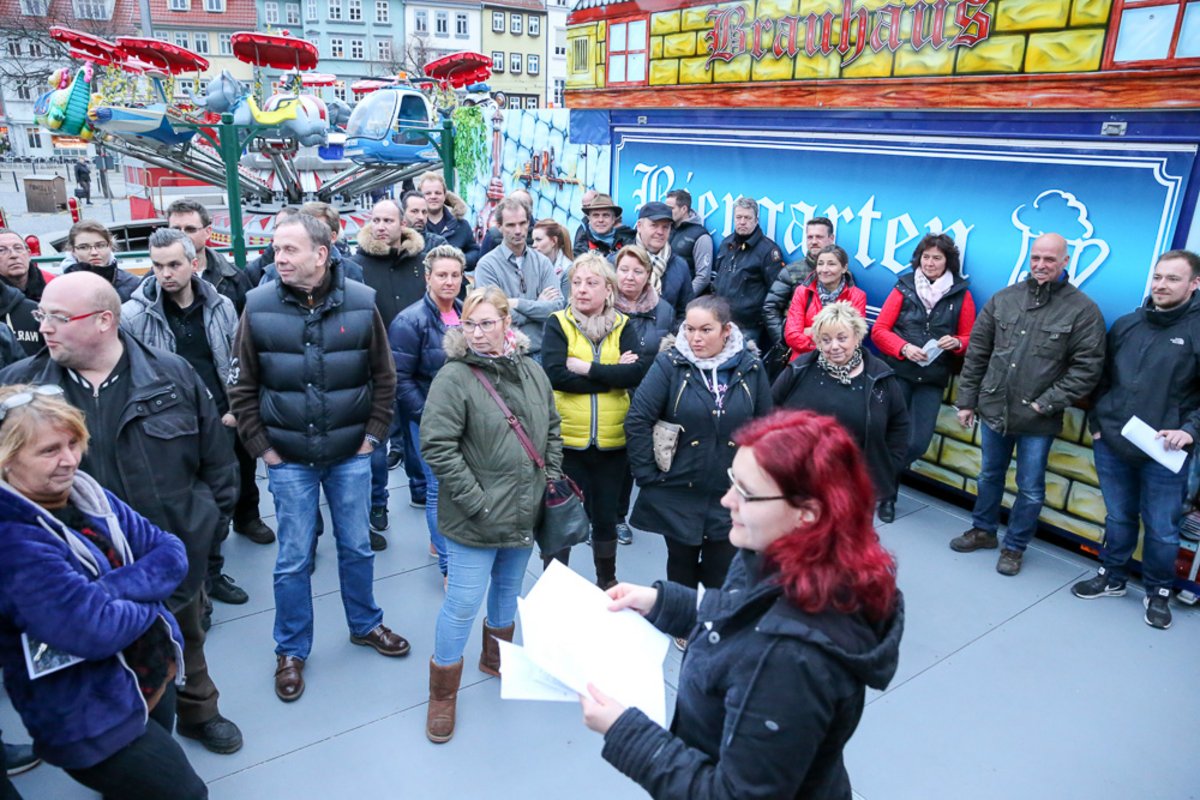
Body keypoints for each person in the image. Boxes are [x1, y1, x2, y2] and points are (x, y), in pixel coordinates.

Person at [579, 409, 904, 799]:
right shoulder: (778, 552)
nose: (726, 499)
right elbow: (742, 609)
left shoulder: (790, 663)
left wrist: (623, 731)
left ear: (807, 513)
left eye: (746, 493)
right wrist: (665, 603)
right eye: (733, 480)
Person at [0, 271, 243, 755]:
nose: (43, 326)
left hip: (169, 554)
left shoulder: (171, 373)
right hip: (75, 574)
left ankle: (199, 710)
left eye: (58, 317)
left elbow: (217, 461)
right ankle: (125, 745)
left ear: (104, 321)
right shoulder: (20, 388)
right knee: (96, 663)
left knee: (185, 637)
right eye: (43, 314)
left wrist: (204, 533)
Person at [228, 213, 409, 703]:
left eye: (289, 249)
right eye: (276, 249)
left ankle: (365, 624)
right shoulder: (258, 305)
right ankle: (290, 649)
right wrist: (264, 450)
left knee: (357, 547)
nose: (278, 258)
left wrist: (372, 437)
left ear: (321, 253)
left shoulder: (362, 302)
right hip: (288, 458)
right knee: (292, 560)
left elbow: (384, 377)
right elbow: (241, 386)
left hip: (351, 454)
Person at [0, 384, 208, 799]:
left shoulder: (85, 494)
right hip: (91, 716)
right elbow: (94, 630)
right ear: (6, 460)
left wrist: (107, 590)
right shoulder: (13, 540)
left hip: (147, 677)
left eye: (73, 443)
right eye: (49, 451)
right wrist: (149, 597)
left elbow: (171, 552)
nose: (69, 460)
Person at [419, 286, 563, 743]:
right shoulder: (454, 377)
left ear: (507, 323)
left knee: (507, 592)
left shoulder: (533, 371)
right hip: (475, 517)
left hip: (524, 510)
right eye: (469, 324)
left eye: (486, 323)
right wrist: (476, 501)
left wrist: (549, 480)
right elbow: (437, 447)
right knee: (462, 604)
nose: (477, 333)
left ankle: (495, 658)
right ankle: (443, 694)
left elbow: (551, 429)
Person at [951, 232, 1106, 576]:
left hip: (1038, 419)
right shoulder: (1004, 299)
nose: (1041, 265)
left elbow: (1087, 369)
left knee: (1031, 488)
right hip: (994, 410)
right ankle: (983, 530)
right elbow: (977, 354)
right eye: (1036, 257)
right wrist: (967, 401)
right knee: (989, 475)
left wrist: (1044, 404)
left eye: (1050, 259)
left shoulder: (1083, 311)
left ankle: (1015, 547)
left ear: (1065, 261)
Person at [625, 294, 771, 630]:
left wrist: (756, 482)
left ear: (726, 330)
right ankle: (684, 622)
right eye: (689, 329)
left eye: (706, 330)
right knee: (681, 563)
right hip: (678, 488)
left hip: (729, 492)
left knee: (722, 566)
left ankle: (708, 620)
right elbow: (638, 419)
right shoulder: (670, 364)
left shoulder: (751, 368)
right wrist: (647, 474)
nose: (695, 338)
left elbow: (767, 427)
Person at [1072, 249, 1200, 629]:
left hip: (1166, 452)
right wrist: (1098, 425)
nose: (1161, 285)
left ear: (1194, 284)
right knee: (1119, 516)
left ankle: (1158, 591)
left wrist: (1189, 431)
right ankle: (1113, 576)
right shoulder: (1127, 324)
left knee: (1162, 528)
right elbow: (1103, 380)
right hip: (1113, 443)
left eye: (1173, 278)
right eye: (1158, 276)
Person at [120, 228, 247, 610]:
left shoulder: (221, 306)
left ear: (194, 264)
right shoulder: (133, 315)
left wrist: (235, 409)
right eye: (158, 265)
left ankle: (213, 573)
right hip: (165, 429)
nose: (165, 273)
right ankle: (193, 591)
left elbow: (237, 359)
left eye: (174, 264)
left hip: (218, 420)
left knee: (219, 501)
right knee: (177, 510)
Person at [166, 203, 273, 546]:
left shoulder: (231, 279)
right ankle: (208, 535)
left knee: (241, 460)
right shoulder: (153, 290)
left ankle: (247, 516)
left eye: (189, 229)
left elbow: (249, 336)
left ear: (206, 232)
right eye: (175, 229)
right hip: (179, 397)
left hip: (225, 390)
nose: (182, 236)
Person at [542, 254, 648, 587]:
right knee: (560, 519)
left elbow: (635, 373)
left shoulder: (623, 325)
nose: (582, 290)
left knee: (605, 518)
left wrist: (586, 368)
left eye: (591, 283)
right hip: (567, 443)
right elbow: (555, 375)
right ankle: (553, 587)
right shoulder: (557, 323)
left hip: (612, 444)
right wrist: (611, 377)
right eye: (576, 282)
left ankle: (607, 583)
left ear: (608, 290)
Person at [354, 196, 447, 534]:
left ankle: (420, 488)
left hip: (416, 363)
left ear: (402, 224)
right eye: (376, 220)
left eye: (388, 220)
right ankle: (378, 502)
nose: (381, 227)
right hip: (373, 365)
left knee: (416, 431)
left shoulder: (419, 263)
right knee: (377, 440)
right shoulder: (356, 265)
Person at [774, 302, 910, 523]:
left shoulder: (880, 377)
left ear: (857, 337)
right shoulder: (798, 370)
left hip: (854, 486)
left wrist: (887, 466)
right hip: (799, 481)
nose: (834, 346)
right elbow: (769, 413)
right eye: (826, 340)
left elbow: (899, 425)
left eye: (842, 338)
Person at [390, 244, 465, 583]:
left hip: (463, 417)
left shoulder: (466, 312)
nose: (449, 282)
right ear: (428, 277)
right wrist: (427, 416)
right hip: (429, 420)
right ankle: (449, 566)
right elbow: (400, 378)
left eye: (455, 275)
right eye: (442, 275)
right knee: (439, 490)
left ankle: (439, 544)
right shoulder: (410, 321)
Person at [871, 233, 976, 466]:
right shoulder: (904, 287)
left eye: (937, 258)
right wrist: (904, 348)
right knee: (885, 435)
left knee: (917, 443)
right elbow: (879, 330)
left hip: (931, 379)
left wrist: (957, 343)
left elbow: (970, 338)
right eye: (925, 257)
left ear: (948, 261)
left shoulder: (962, 294)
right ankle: (882, 485)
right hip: (897, 373)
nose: (929, 263)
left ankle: (882, 476)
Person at [611, 244, 674, 545]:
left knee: (627, 461)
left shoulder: (664, 310)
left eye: (638, 271)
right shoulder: (601, 304)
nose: (630, 277)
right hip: (607, 390)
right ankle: (588, 514)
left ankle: (618, 517)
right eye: (624, 270)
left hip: (644, 397)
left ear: (648, 275)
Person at [473, 197, 564, 359]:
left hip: (541, 353)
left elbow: (556, 309)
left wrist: (518, 304)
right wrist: (538, 305)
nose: (518, 230)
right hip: (503, 355)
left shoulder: (542, 262)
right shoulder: (487, 266)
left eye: (522, 223)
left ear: (529, 223)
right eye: (510, 225)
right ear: (499, 226)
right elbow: (494, 315)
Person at [711, 197, 785, 345]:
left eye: (747, 218)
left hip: (749, 327)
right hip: (720, 320)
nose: (742, 222)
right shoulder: (727, 243)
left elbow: (777, 292)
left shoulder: (768, 251)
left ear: (756, 220)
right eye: (738, 217)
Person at [784, 244, 867, 359]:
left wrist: (810, 331)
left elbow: (854, 338)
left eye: (831, 264)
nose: (824, 269)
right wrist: (831, 340)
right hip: (803, 360)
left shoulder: (857, 296)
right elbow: (792, 336)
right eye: (820, 264)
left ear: (844, 268)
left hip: (839, 361)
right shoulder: (802, 291)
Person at [763, 216, 834, 347]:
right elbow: (770, 308)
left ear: (831, 238)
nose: (814, 241)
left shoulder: (842, 275)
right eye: (810, 237)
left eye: (819, 237)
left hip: (830, 348)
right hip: (796, 347)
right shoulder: (791, 271)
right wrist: (785, 340)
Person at [626, 202, 694, 326]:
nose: (660, 232)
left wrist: (672, 333)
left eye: (665, 227)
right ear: (639, 226)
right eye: (654, 225)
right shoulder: (619, 261)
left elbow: (686, 311)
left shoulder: (680, 266)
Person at [62, 220, 140, 302]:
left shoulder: (133, 284)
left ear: (110, 246)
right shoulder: (61, 288)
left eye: (100, 245)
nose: (94, 252)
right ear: (73, 251)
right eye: (83, 247)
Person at [419, 171, 480, 269]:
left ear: (444, 196)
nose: (433, 196)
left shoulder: (461, 225)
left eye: (438, 193)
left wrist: (459, 260)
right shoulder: (415, 228)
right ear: (420, 197)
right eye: (428, 193)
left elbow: (475, 252)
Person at [664, 189, 713, 296]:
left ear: (684, 209)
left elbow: (703, 277)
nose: (666, 211)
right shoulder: (665, 229)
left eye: (671, 208)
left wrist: (685, 298)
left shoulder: (701, 236)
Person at [574, 193, 636, 258]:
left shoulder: (628, 241)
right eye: (596, 215)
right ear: (589, 219)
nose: (601, 220)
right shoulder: (581, 249)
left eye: (606, 215)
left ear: (613, 219)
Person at [0, 228, 53, 302]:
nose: (14, 255)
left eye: (18, 248)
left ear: (29, 253)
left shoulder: (52, 284)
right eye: (1, 250)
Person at [532, 218, 574, 293]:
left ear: (554, 241)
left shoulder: (567, 270)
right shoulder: (530, 262)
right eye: (533, 240)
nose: (533, 245)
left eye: (538, 240)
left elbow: (563, 300)